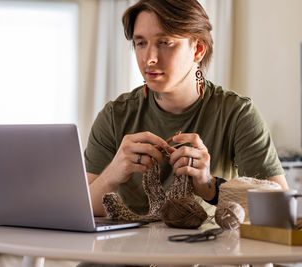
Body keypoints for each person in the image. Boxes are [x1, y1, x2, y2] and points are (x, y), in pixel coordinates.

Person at [84, 0, 288, 218]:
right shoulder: (114, 116)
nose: (149, 59)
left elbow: (279, 210)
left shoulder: (237, 114)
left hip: (208, 248)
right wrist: (113, 174)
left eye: (164, 42)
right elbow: (82, 208)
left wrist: (209, 186)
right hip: (125, 250)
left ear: (198, 49)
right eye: (141, 43)